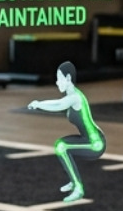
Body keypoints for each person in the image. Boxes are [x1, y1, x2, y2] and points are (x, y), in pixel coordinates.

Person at [26, 62, 106, 202]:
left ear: (68, 78)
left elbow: (58, 105)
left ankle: (78, 187)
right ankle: (74, 180)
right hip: (89, 139)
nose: (57, 82)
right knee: (61, 145)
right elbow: (59, 102)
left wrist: (38, 104)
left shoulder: (74, 97)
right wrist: (39, 104)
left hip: (95, 143)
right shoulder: (72, 95)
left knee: (61, 146)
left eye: (59, 78)